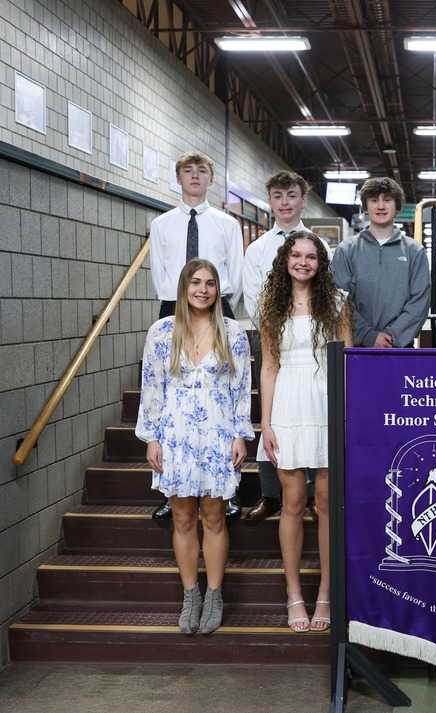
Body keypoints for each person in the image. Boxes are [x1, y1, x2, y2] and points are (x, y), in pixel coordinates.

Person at [135, 259, 254, 635]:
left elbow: (241, 387)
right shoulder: (161, 331)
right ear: (184, 287)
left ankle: (215, 594)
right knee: (183, 518)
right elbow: (151, 387)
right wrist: (152, 437)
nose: (203, 290)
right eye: (196, 282)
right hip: (176, 435)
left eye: (210, 284)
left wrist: (240, 433)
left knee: (214, 518)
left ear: (218, 290)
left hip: (218, 434)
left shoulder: (233, 332)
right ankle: (191, 595)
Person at [257, 231, 353, 632]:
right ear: (285, 260)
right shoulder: (270, 303)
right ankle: (294, 593)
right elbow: (268, 367)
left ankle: (326, 592)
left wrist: (346, 416)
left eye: (311, 256)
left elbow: (346, 361)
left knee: (327, 503)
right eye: (296, 255)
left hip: (327, 402)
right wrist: (266, 424)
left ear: (320, 263)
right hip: (287, 405)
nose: (303, 262)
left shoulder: (338, 302)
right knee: (293, 502)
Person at [149, 150, 245, 520]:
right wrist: (177, 304)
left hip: (217, 307)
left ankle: (227, 490)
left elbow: (234, 271)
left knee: (222, 393)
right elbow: (160, 272)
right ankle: (173, 489)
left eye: (201, 170)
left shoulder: (227, 224)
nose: (194, 176)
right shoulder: (162, 224)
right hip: (174, 308)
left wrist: (216, 302)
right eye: (187, 171)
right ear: (178, 178)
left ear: (210, 178)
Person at [242, 170, 330, 523]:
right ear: (270, 201)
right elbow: (253, 299)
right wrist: (278, 326)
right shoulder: (258, 248)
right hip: (273, 338)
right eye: (277, 196)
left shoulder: (320, 246)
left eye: (291, 195)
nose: (284, 202)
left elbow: (327, 291)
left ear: (303, 199)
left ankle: (310, 496)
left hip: (313, 345)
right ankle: (270, 494)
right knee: (275, 417)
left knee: (312, 418)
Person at [331, 177, 430, 348]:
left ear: (397, 207)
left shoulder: (415, 251)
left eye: (388, 200)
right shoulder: (346, 250)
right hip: (356, 347)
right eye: (374, 200)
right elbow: (340, 299)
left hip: (399, 347)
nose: (381, 206)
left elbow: (419, 302)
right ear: (366, 207)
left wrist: (393, 336)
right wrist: (369, 336)